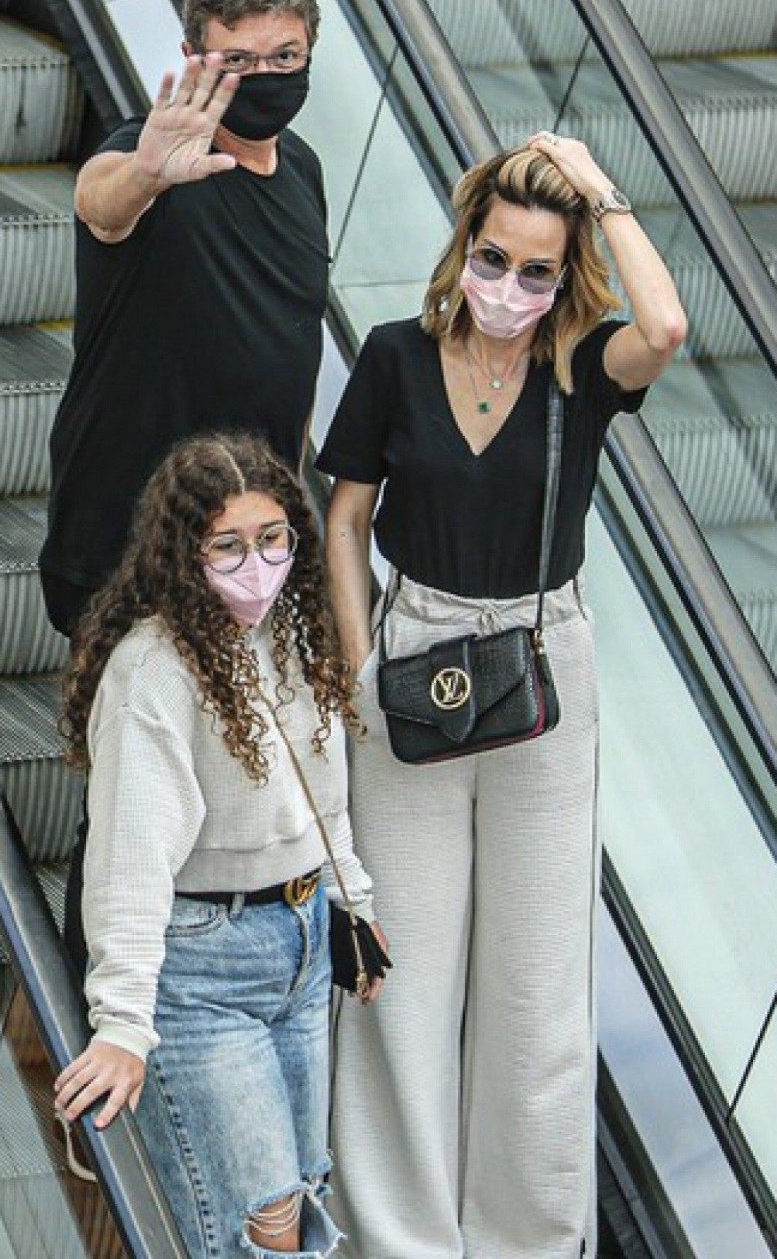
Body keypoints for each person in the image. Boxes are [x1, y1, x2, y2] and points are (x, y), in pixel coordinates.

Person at [318, 135, 687, 1259]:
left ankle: (525, 1237)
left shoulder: (580, 369)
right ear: (462, 245)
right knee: (400, 968)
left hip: (540, 662)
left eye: (536, 270)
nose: (509, 286)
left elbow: (666, 327)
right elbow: (344, 517)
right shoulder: (394, 355)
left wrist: (599, 193)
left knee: (535, 975)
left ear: (563, 275)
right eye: (493, 258)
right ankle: (399, 1235)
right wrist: (355, 669)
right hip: (411, 654)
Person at [54, 432, 384, 1259]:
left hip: (301, 942)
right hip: (203, 967)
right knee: (255, 1224)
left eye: (272, 539)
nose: (257, 565)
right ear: (183, 553)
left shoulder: (293, 633)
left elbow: (322, 792)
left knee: (299, 1200)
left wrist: (350, 900)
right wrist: (122, 1023)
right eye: (227, 546)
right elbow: (129, 859)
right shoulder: (153, 672)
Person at [39, 0, 328, 640]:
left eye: (285, 57)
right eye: (238, 61)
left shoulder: (302, 169)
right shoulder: (154, 157)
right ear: (193, 56)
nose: (264, 77)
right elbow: (100, 204)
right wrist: (147, 176)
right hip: (130, 546)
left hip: (250, 550)